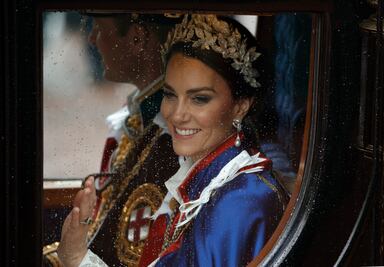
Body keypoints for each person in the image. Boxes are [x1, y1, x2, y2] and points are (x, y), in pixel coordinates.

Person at [57, 14, 288, 267]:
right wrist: (77, 256)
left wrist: (77, 259)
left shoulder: (242, 200)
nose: (176, 115)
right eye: (170, 94)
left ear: (240, 106)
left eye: (199, 99)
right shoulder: (200, 180)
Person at [43, 13, 181, 266]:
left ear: (137, 39)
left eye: (99, 27)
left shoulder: (172, 141)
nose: (93, 39)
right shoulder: (138, 118)